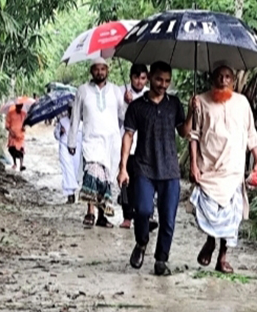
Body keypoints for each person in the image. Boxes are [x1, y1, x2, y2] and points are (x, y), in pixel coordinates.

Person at [187, 64, 257, 274]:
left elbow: (251, 135)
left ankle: (222, 257)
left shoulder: (242, 103)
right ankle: (211, 241)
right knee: (209, 212)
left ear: (233, 80)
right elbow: (193, 136)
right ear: (212, 79)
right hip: (210, 170)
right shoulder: (201, 101)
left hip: (234, 170)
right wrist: (193, 164)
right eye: (219, 77)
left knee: (232, 217)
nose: (223, 80)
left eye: (227, 77)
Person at [118, 61, 187, 276]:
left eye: (167, 81)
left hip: (169, 169)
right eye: (159, 80)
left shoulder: (174, 104)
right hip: (144, 167)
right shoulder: (137, 106)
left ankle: (161, 260)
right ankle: (141, 242)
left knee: (168, 218)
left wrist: (193, 112)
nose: (163, 84)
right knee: (144, 210)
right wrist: (123, 168)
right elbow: (128, 135)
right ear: (149, 78)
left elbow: (184, 132)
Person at [69, 56, 124, 228]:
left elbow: (123, 116)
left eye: (103, 69)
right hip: (91, 141)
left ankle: (102, 216)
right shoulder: (83, 90)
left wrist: (129, 101)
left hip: (111, 142)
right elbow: (76, 117)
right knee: (91, 175)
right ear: (91, 71)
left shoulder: (116, 91)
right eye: (96, 69)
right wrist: (72, 141)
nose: (100, 72)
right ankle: (90, 212)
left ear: (108, 71)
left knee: (106, 180)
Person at [118, 64, 150, 229]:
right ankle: (126, 216)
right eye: (136, 78)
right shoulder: (121, 93)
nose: (139, 81)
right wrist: (125, 104)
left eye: (143, 78)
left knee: (144, 182)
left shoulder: (150, 95)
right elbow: (117, 118)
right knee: (125, 182)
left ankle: (144, 214)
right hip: (126, 145)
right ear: (131, 78)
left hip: (144, 146)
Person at [54, 107, 81, 203]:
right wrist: (59, 131)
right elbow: (56, 135)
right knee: (67, 170)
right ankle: (70, 194)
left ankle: (74, 190)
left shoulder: (80, 122)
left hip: (76, 148)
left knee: (75, 170)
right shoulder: (62, 121)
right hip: (64, 147)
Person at [5, 101, 27, 172]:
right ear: (15, 106)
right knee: (12, 149)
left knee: (21, 150)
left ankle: (21, 165)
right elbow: (7, 125)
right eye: (18, 106)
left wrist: (24, 127)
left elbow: (25, 123)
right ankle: (14, 163)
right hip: (13, 135)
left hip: (20, 136)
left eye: (20, 107)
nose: (19, 108)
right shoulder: (10, 114)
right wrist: (11, 131)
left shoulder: (24, 114)